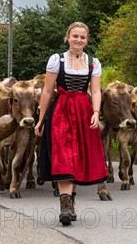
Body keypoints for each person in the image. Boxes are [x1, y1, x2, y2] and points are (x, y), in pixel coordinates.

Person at [35, 22, 109, 226]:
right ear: (67, 37)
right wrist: (41, 119)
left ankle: (71, 202)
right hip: (61, 111)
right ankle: (65, 205)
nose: (78, 40)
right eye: (75, 36)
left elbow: (95, 91)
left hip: (83, 111)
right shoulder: (56, 60)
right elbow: (48, 91)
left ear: (87, 40)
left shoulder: (93, 62)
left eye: (82, 37)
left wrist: (95, 112)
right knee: (63, 156)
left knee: (78, 157)